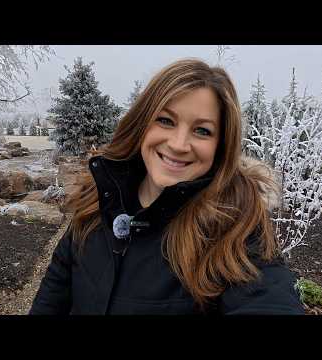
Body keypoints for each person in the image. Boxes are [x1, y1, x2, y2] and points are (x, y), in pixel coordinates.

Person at [29, 58, 304, 315]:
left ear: (220, 146)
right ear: (142, 124)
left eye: (202, 131)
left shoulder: (234, 227)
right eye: (165, 120)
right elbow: (52, 295)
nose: (178, 144)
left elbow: (268, 297)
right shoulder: (99, 199)